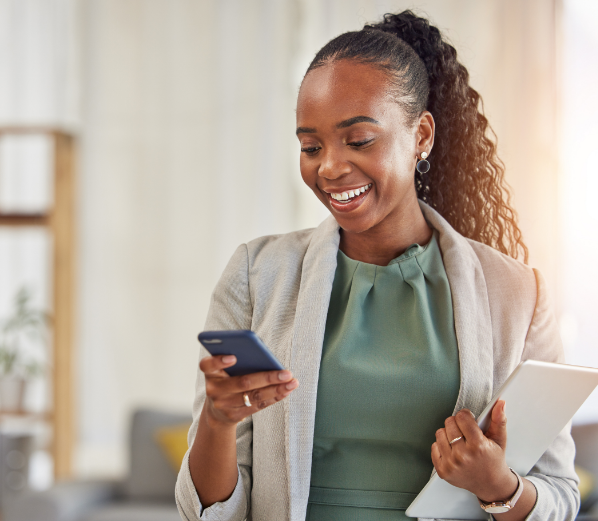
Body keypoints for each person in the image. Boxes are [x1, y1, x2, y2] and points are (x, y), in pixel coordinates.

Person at [175, 10, 579, 521]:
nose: (329, 167)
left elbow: (561, 495)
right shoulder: (258, 274)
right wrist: (217, 421)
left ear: (422, 136)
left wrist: (497, 486)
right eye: (310, 147)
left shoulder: (517, 294)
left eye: (359, 140)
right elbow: (206, 512)